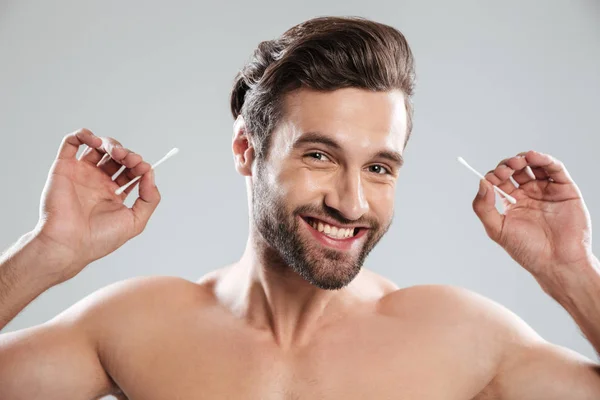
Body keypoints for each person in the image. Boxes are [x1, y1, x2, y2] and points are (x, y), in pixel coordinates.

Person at [0, 16, 599, 400]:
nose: (351, 202)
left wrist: (570, 272)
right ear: (246, 150)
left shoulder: (461, 337)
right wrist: (46, 254)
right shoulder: (137, 326)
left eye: (379, 167)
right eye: (320, 156)